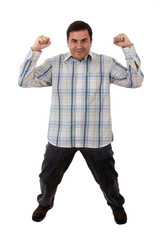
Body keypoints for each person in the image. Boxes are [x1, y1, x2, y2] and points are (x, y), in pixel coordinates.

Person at [18, 21, 143, 224]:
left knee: (109, 180)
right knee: (47, 179)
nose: (79, 45)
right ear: (67, 42)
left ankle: (117, 206)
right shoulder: (54, 63)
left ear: (91, 41)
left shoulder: (106, 63)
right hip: (61, 137)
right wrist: (35, 50)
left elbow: (135, 81)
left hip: (97, 138)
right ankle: (44, 204)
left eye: (84, 40)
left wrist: (128, 48)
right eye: (74, 41)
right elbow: (24, 81)